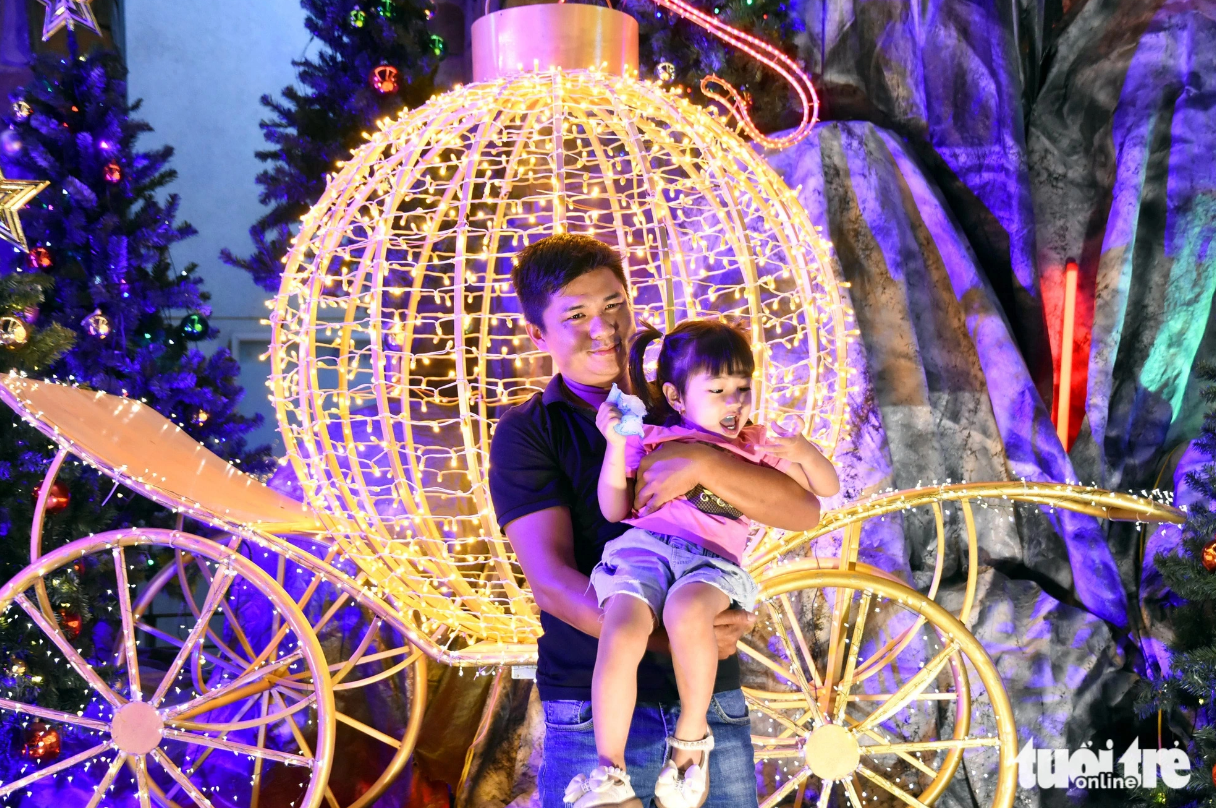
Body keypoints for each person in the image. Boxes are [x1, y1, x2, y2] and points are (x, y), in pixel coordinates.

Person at [488, 234, 825, 808]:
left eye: (615, 304)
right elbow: (550, 580)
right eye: (578, 315)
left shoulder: (695, 404)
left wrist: (701, 458)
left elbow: (801, 509)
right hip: (593, 706)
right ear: (538, 335)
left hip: (709, 700)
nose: (605, 327)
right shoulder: (530, 431)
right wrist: (676, 635)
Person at [573, 319, 839, 808]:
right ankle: (609, 770)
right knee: (623, 628)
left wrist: (804, 450)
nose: (733, 402)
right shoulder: (654, 438)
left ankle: (690, 744)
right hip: (645, 549)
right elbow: (614, 509)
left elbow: (822, 491)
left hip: (709, 563)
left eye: (741, 388)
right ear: (676, 396)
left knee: (687, 611)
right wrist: (614, 447)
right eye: (717, 390)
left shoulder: (755, 446)